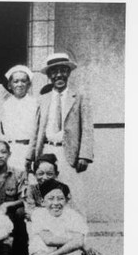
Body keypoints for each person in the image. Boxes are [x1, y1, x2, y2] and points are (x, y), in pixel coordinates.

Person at [27, 52, 94, 215]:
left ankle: (78, 233)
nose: (59, 75)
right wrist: (30, 157)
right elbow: (36, 130)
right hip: (47, 151)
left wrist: (84, 155)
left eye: (63, 70)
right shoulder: (43, 98)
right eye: (54, 71)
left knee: (74, 194)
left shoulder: (79, 97)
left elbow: (87, 128)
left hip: (69, 153)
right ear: (49, 75)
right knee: (45, 192)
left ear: (68, 72)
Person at [28, 180, 87, 255]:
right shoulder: (38, 214)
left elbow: (78, 241)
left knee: (73, 247)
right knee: (41, 243)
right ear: (42, 201)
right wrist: (77, 243)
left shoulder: (74, 216)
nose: (56, 203)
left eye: (60, 198)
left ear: (66, 200)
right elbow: (49, 240)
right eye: (50, 199)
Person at [0, 65, 38, 171]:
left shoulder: (35, 103)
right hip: (10, 151)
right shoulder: (4, 105)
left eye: (23, 81)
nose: (20, 84)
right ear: (9, 85)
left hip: (29, 151)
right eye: (16, 81)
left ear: (29, 84)